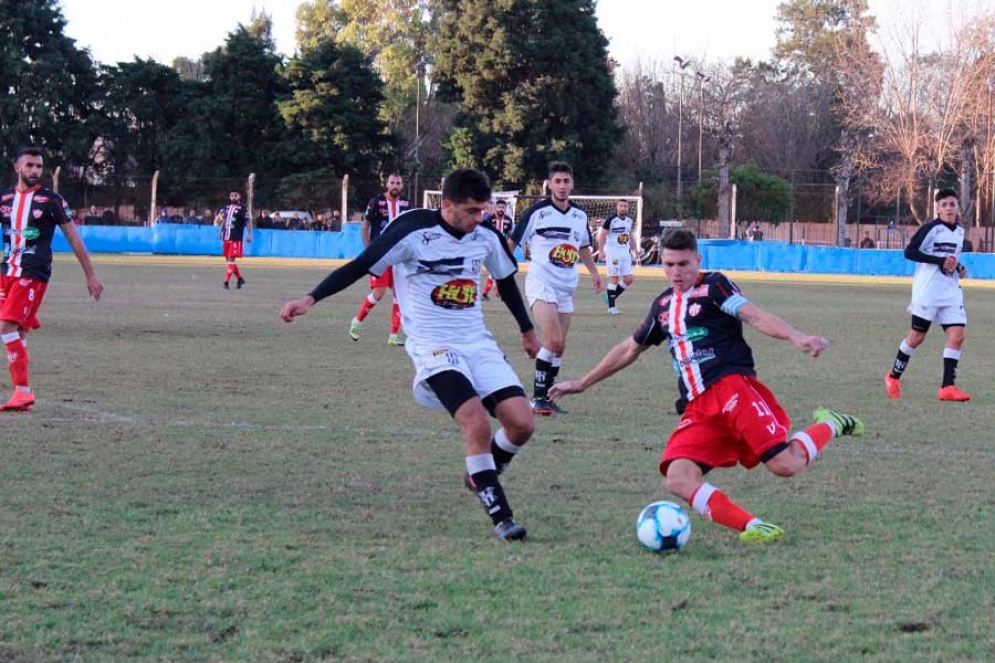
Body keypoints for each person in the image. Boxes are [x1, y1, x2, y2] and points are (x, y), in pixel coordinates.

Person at [549, 228, 863, 543]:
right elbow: (629, 349)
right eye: (669, 264)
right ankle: (752, 526)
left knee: (785, 465)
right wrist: (583, 383)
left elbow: (753, 316)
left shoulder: (714, 286)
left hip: (731, 388)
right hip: (697, 406)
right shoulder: (662, 306)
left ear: (698, 260)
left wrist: (798, 336)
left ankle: (831, 423)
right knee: (678, 478)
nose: (676, 272)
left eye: (683, 264)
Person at [280, 168, 539, 541]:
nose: (480, 218)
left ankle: (479, 473)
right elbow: (360, 265)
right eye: (472, 211)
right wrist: (310, 298)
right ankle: (502, 517)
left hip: (477, 342)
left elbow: (505, 280)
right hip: (433, 346)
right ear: (447, 205)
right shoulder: (412, 230)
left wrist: (526, 329)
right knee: (477, 424)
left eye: (483, 210)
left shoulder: (485, 235)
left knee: (522, 424)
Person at [0, 147, 104, 411]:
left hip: (33, 272)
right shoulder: (5, 198)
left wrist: (90, 274)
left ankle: (22, 393)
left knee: (6, 327)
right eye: (30, 166)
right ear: (18, 168)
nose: (35, 171)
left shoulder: (52, 200)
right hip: (6, 272)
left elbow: (72, 236)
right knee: (17, 330)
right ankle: (22, 393)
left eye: (38, 166)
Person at [510, 162, 604, 415]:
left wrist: (595, 273)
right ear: (549, 184)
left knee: (560, 346)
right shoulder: (536, 213)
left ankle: (548, 397)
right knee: (554, 339)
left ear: (572, 184)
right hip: (541, 282)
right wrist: (501, 274)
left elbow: (583, 247)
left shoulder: (579, 216)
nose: (562, 186)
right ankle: (537, 398)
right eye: (557, 181)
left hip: (566, 287)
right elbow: (512, 241)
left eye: (566, 181)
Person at [885, 188, 970, 401]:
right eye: (944, 205)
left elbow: (949, 257)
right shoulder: (931, 229)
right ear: (938, 209)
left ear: (958, 207)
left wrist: (957, 267)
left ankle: (947, 387)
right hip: (928, 291)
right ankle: (893, 377)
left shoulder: (960, 232)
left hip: (950, 290)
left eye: (952, 204)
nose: (949, 208)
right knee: (917, 337)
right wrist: (939, 262)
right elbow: (910, 252)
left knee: (957, 336)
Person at [349, 173, 411, 346]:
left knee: (399, 294)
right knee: (379, 292)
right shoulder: (376, 202)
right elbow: (366, 225)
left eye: (398, 183)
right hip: (380, 254)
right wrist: (368, 248)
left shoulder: (407, 204)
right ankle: (357, 321)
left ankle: (393, 335)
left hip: (399, 255)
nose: (395, 186)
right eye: (392, 183)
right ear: (387, 184)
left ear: (402, 185)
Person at [598, 199, 638, 315]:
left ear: (628, 208)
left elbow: (629, 235)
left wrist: (635, 249)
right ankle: (611, 307)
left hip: (625, 253)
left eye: (625, 206)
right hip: (613, 253)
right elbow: (602, 235)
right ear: (617, 207)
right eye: (621, 206)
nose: (623, 208)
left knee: (629, 279)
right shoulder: (611, 220)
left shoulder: (629, 221)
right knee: (614, 278)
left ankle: (610, 296)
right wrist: (601, 251)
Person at [217, 189, 251, 290]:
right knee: (228, 260)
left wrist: (249, 234)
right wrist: (220, 231)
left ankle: (226, 282)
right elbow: (224, 220)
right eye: (231, 195)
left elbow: (248, 221)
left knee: (231, 259)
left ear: (239, 196)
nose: (233, 197)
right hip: (226, 237)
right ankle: (240, 279)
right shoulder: (226, 207)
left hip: (236, 237)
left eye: (235, 195)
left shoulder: (243, 208)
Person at [481, 199, 514, 301]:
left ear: (505, 209)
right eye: (499, 207)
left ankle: (488, 293)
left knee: (499, 271)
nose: (501, 209)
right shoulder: (490, 220)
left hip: (502, 249)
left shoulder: (508, 221)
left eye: (503, 208)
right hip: (490, 249)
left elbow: (509, 235)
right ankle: (495, 292)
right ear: (496, 208)